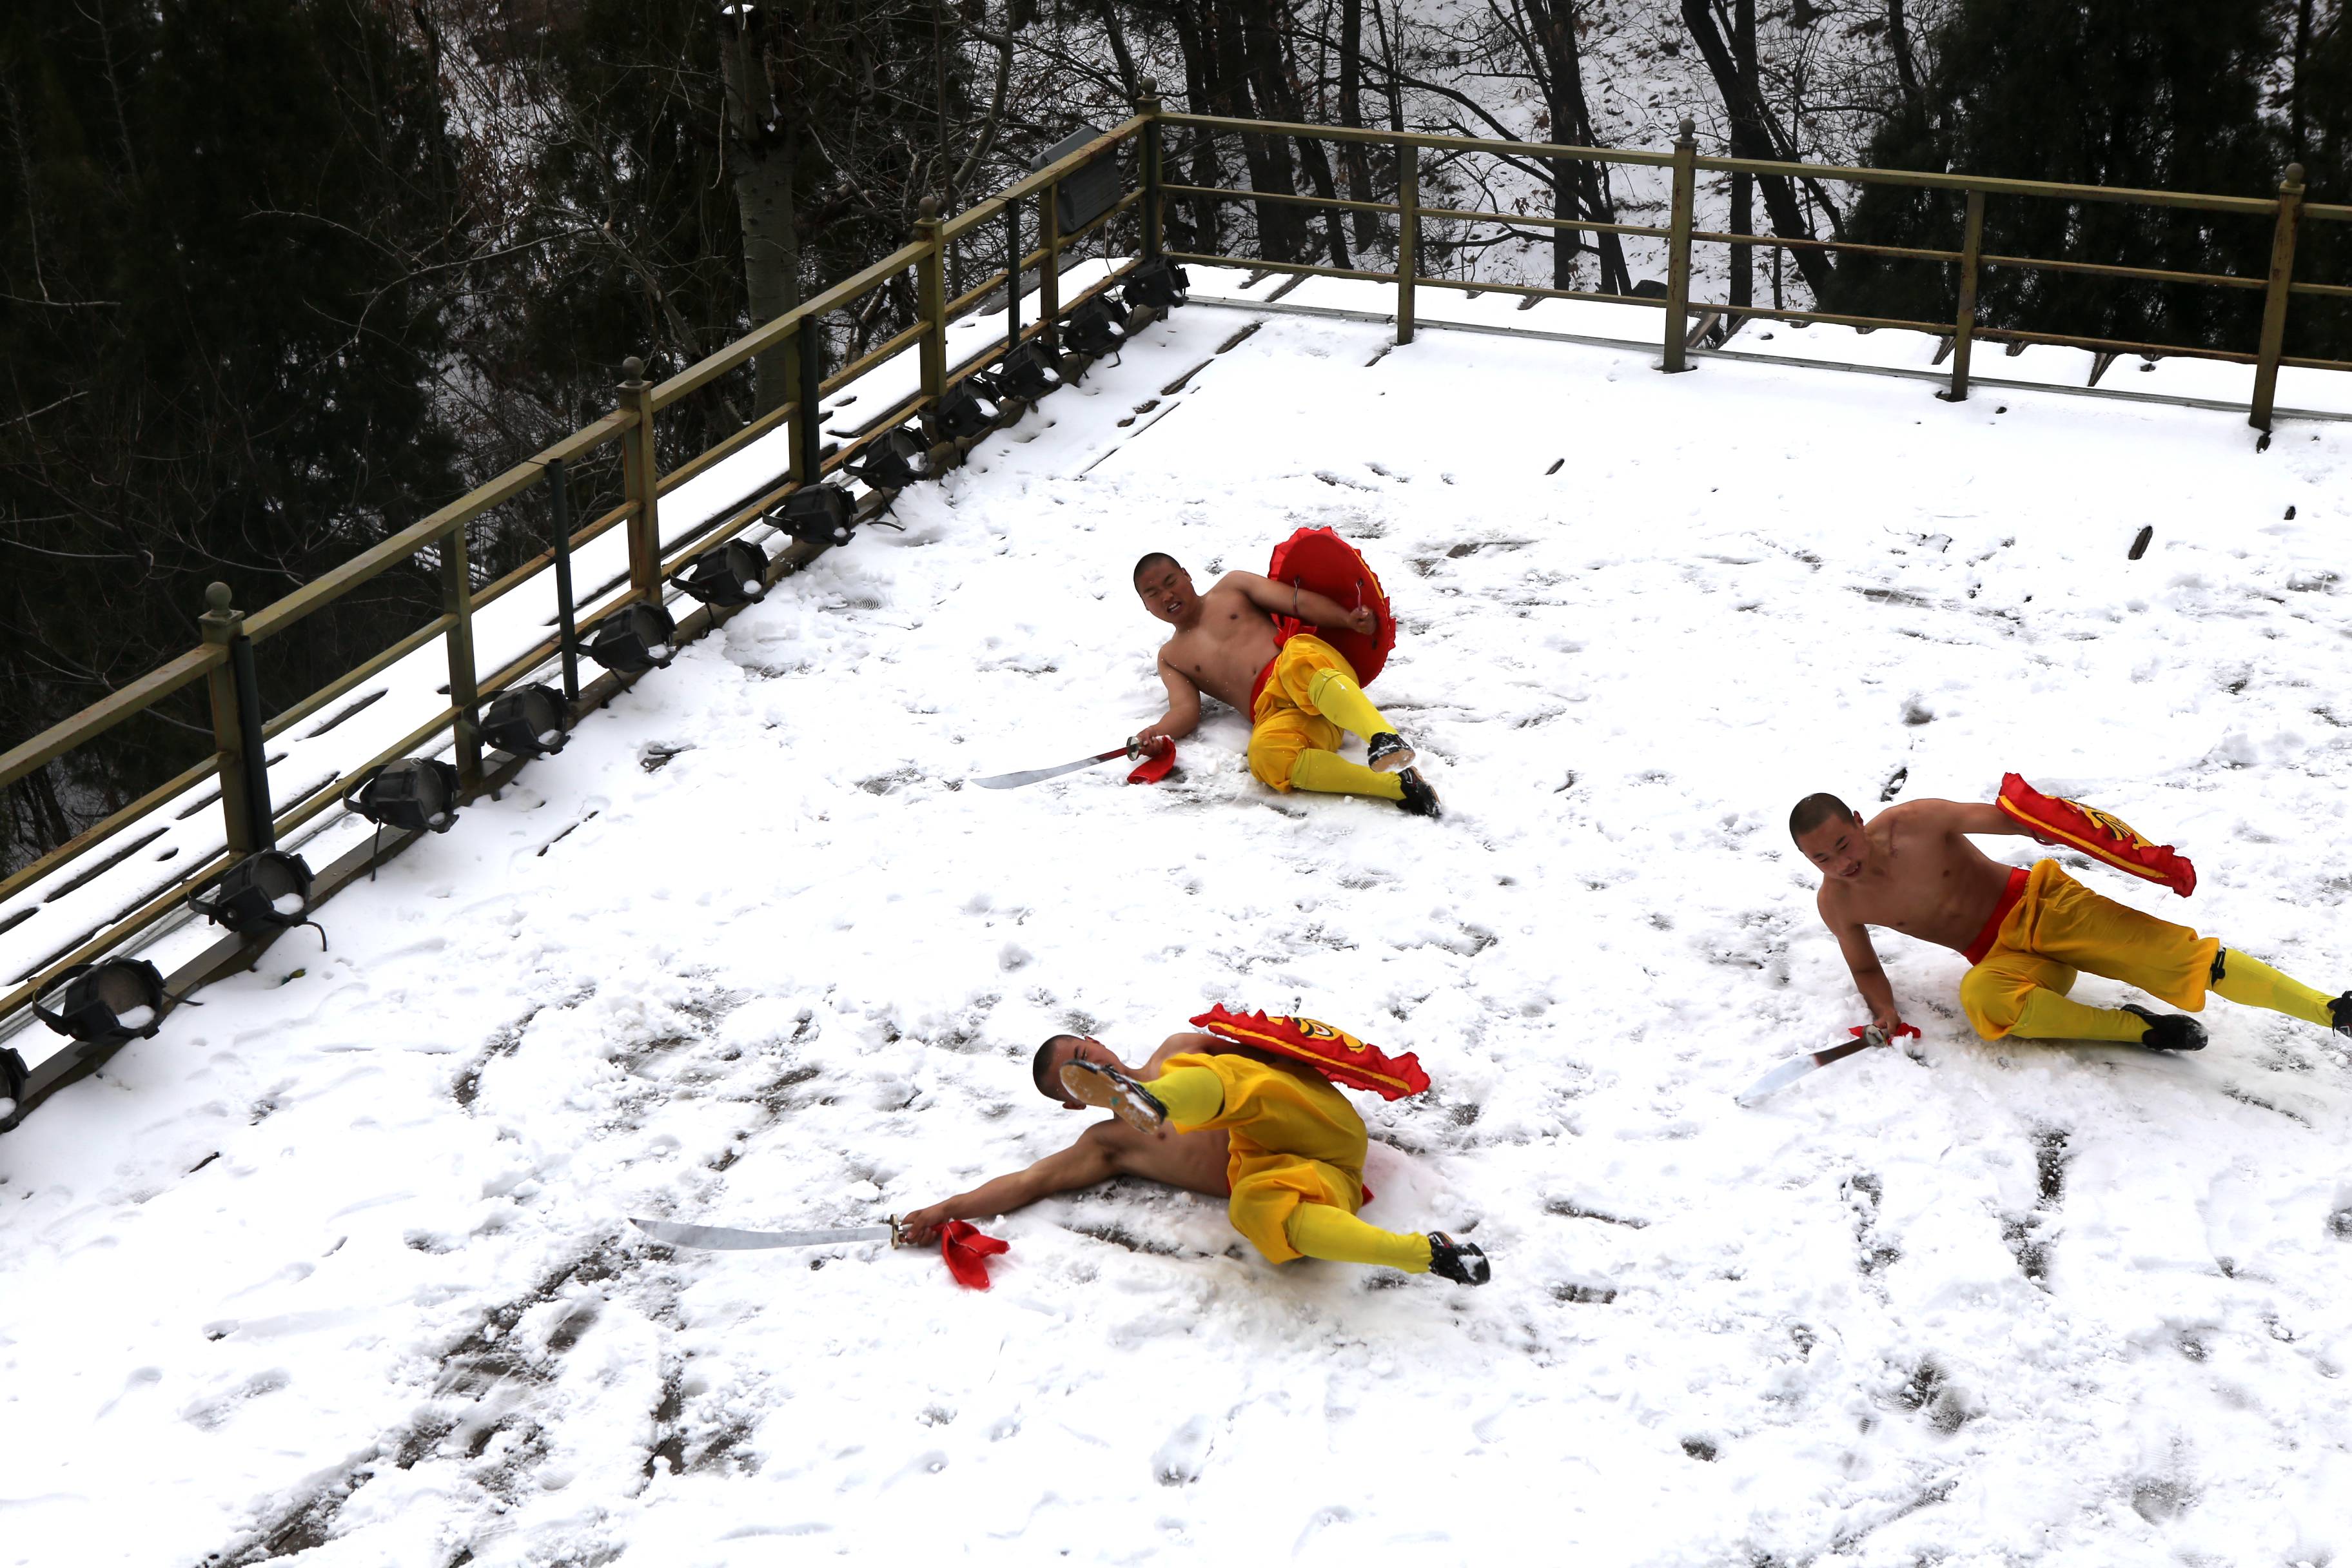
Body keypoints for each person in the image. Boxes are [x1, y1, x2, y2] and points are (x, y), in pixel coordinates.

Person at [897, 1026, 1491, 1285]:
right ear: (1075, 1106)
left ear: (1098, 1040)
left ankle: (1155, 1099)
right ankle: (1428, 1256)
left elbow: (1276, 1052)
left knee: (1209, 1075)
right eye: (1074, 1081)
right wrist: (944, 1208)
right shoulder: (1107, 1145)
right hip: (1313, 1172)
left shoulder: (1179, 1048)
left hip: (1304, 1115)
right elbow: (1030, 1181)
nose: (1091, 1067)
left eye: (1083, 1054)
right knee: (1259, 1213)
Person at [1790, 790, 2351, 1050]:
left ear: (1860, 821)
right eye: (1824, 859)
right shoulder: (1838, 903)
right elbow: (1864, 967)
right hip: (2006, 959)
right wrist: (1885, 1012)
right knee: (1984, 1003)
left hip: (2045, 907)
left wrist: (2050, 825)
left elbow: (2005, 820)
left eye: (1844, 844)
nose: (1843, 863)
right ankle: (2141, 1030)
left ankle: (2331, 1011)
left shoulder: (1914, 822)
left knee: (2179, 959)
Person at [1130, 553, 1440, 817]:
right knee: (1266, 758)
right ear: (1145, 605)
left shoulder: (1232, 587)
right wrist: (1155, 734)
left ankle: (1383, 737)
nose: (1167, 595)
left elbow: (1298, 602)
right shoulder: (1171, 657)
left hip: (1316, 676)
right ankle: (1400, 787)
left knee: (1297, 660)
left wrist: (1346, 620)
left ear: (1186, 576)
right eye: (1153, 593)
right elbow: (1184, 710)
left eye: (1171, 582)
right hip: (1281, 714)